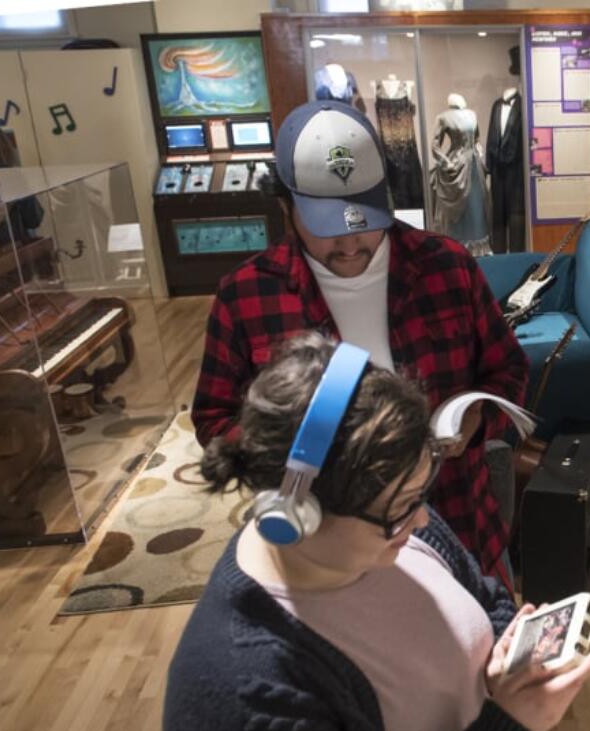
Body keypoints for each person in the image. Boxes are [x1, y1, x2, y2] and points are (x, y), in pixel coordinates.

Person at [164, 333, 590, 731]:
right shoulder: (243, 698)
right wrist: (509, 728)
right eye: (402, 508)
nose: (422, 522)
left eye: (420, 494)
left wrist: (505, 649)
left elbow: (484, 594)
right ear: (298, 516)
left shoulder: (395, 528)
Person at [192, 100, 528, 584]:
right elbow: (213, 418)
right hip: (325, 550)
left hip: (458, 522)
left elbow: (508, 371)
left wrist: (476, 420)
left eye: (366, 221)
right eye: (328, 228)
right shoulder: (247, 295)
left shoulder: (447, 267)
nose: (351, 244)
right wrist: (302, 454)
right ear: (285, 208)